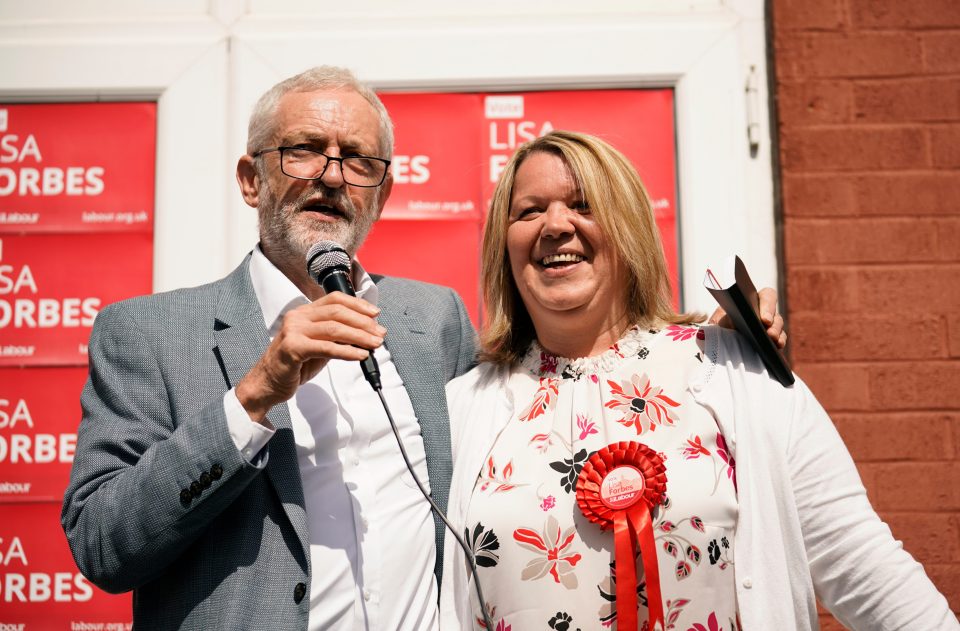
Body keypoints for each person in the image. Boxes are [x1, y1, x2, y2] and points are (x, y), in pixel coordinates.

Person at [61, 66, 784, 630]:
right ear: (252, 179)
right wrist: (253, 396)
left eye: (358, 159)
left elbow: (555, 381)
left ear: (383, 191)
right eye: (304, 150)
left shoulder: (429, 319)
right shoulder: (148, 334)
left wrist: (697, 342)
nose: (332, 174)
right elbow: (102, 544)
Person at [439, 130, 958, 630]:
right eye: (530, 211)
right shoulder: (464, 409)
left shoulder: (737, 374)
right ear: (503, 246)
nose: (555, 226)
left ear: (629, 228)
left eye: (584, 204)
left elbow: (860, 561)